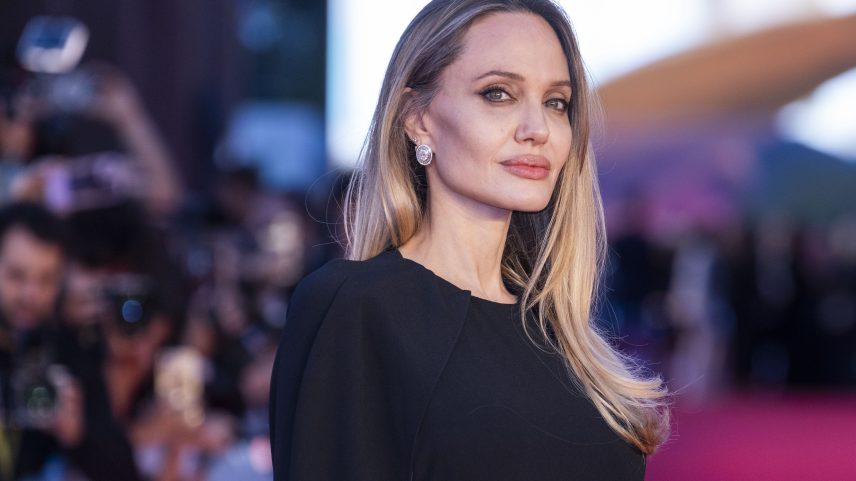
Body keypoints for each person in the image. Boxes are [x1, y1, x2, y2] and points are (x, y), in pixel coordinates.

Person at [269, 1, 670, 480]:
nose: (537, 129)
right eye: (498, 94)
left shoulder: (564, 339)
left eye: (555, 102)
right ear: (417, 117)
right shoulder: (359, 308)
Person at [0, 202, 141, 480]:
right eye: (17, 276)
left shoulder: (67, 347)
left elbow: (124, 469)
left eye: (46, 280)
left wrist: (76, 435)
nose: (31, 294)